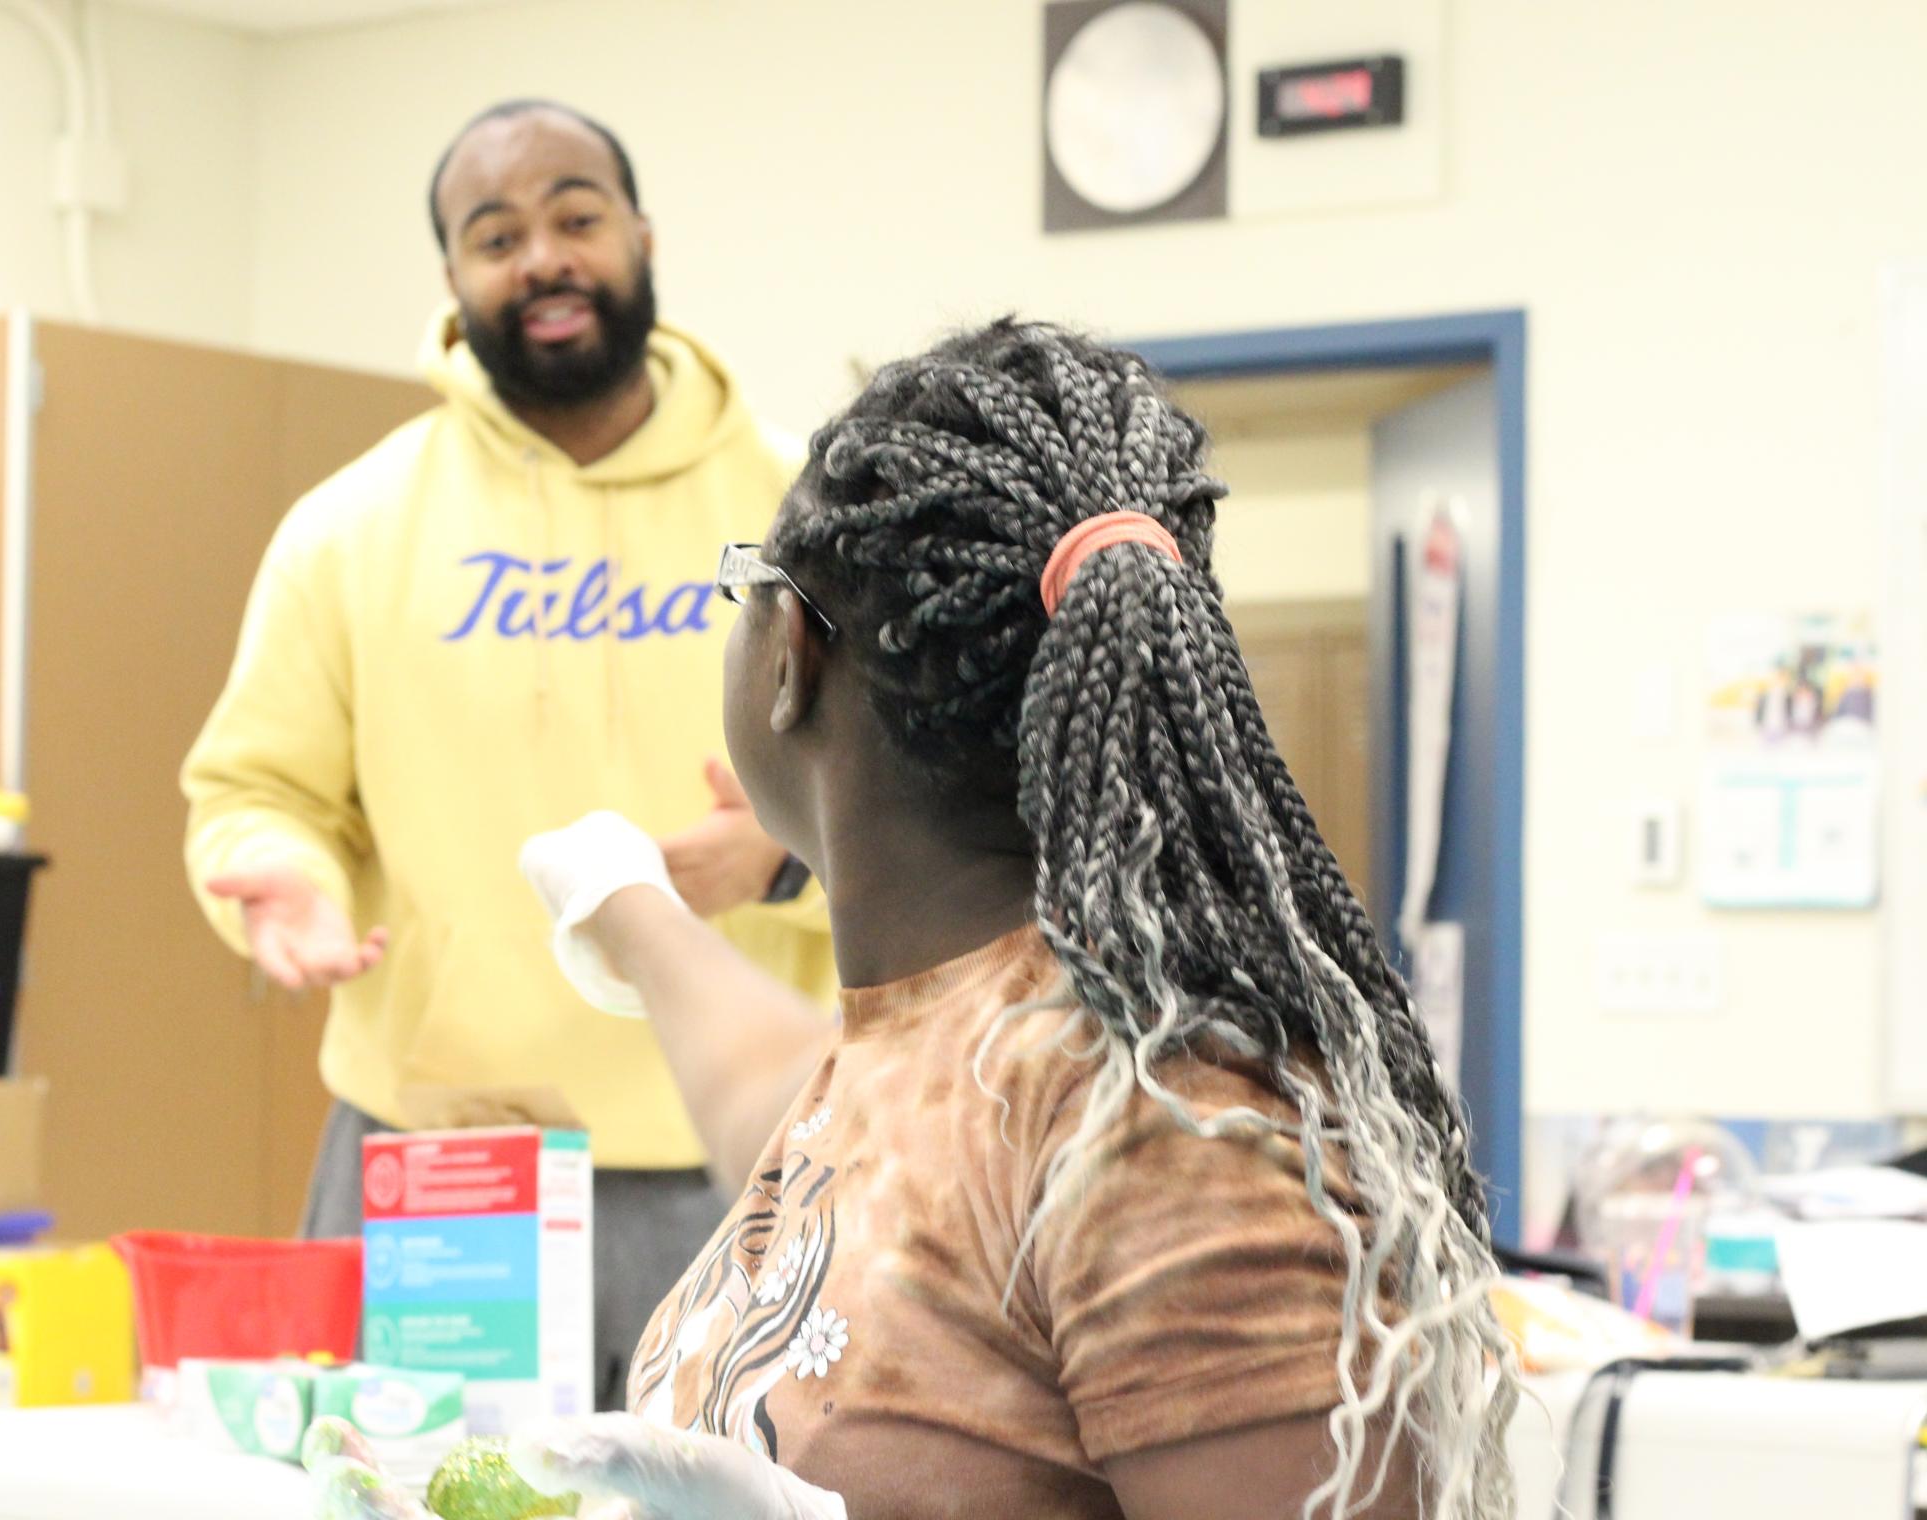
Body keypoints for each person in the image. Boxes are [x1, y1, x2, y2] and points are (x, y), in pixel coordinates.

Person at [315, 321, 1514, 1520]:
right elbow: (787, 1103)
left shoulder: (1170, 1131)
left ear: (787, 654)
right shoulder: (935, 1030)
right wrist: (621, 902)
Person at [181, 99, 833, 1411]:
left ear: (640, 236)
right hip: (442, 1158)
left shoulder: (797, 509)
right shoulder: (350, 528)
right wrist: (277, 867)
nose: (542, 258)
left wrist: (783, 852)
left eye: (576, 218)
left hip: (752, 1150)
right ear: (453, 281)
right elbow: (256, 790)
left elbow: (933, 784)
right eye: (496, 236)